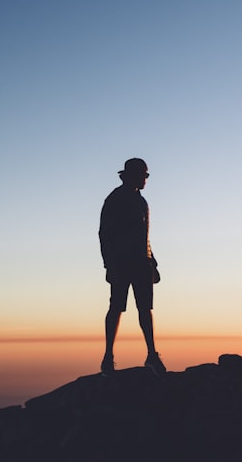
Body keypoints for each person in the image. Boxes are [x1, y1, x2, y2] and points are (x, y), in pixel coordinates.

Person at [99, 157, 165, 375]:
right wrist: (109, 264)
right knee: (117, 307)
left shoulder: (141, 201)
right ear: (133, 175)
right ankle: (108, 357)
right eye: (144, 175)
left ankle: (151, 354)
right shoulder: (116, 199)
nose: (146, 179)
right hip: (122, 263)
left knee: (145, 309)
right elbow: (105, 234)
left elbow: (143, 236)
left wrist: (152, 262)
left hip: (141, 263)